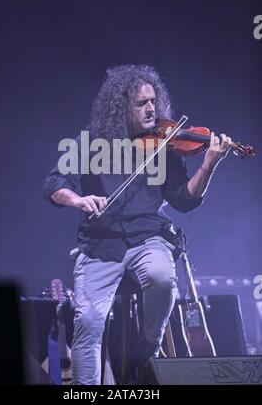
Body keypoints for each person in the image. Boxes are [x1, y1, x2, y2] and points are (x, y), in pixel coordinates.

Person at [43, 64, 231, 385]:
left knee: (161, 278)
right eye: (141, 103)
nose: (150, 109)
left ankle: (150, 343)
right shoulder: (89, 141)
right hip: (100, 243)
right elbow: (55, 183)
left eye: (153, 102)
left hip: (148, 237)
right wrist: (78, 200)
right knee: (88, 320)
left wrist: (209, 167)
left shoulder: (165, 142)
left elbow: (183, 199)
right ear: (120, 107)